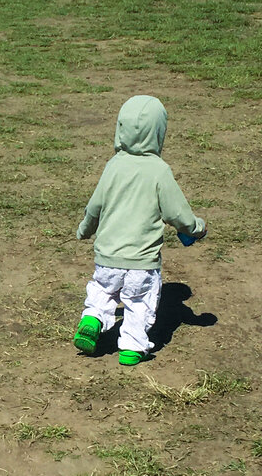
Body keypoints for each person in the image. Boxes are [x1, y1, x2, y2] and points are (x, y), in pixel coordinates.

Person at [72, 95, 207, 365]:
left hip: (107, 257)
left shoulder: (113, 166)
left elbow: (95, 205)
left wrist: (85, 229)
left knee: (103, 290)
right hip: (141, 263)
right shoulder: (159, 171)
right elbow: (177, 213)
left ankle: (93, 317)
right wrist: (196, 228)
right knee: (139, 304)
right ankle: (132, 347)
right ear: (159, 133)